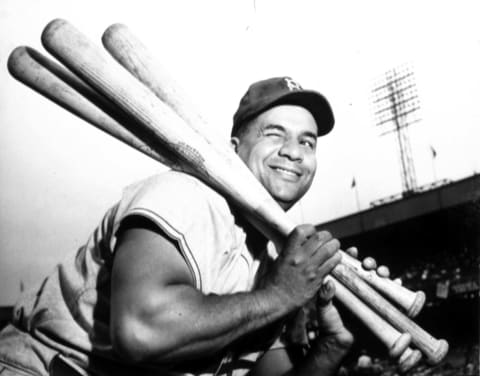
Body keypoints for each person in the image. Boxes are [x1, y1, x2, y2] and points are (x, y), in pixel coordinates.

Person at [0, 76, 365, 375]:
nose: (294, 151)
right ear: (233, 149)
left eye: (308, 141)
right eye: (274, 134)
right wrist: (279, 295)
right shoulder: (184, 196)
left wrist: (332, 346)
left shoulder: (275, 259)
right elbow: (140, 332)